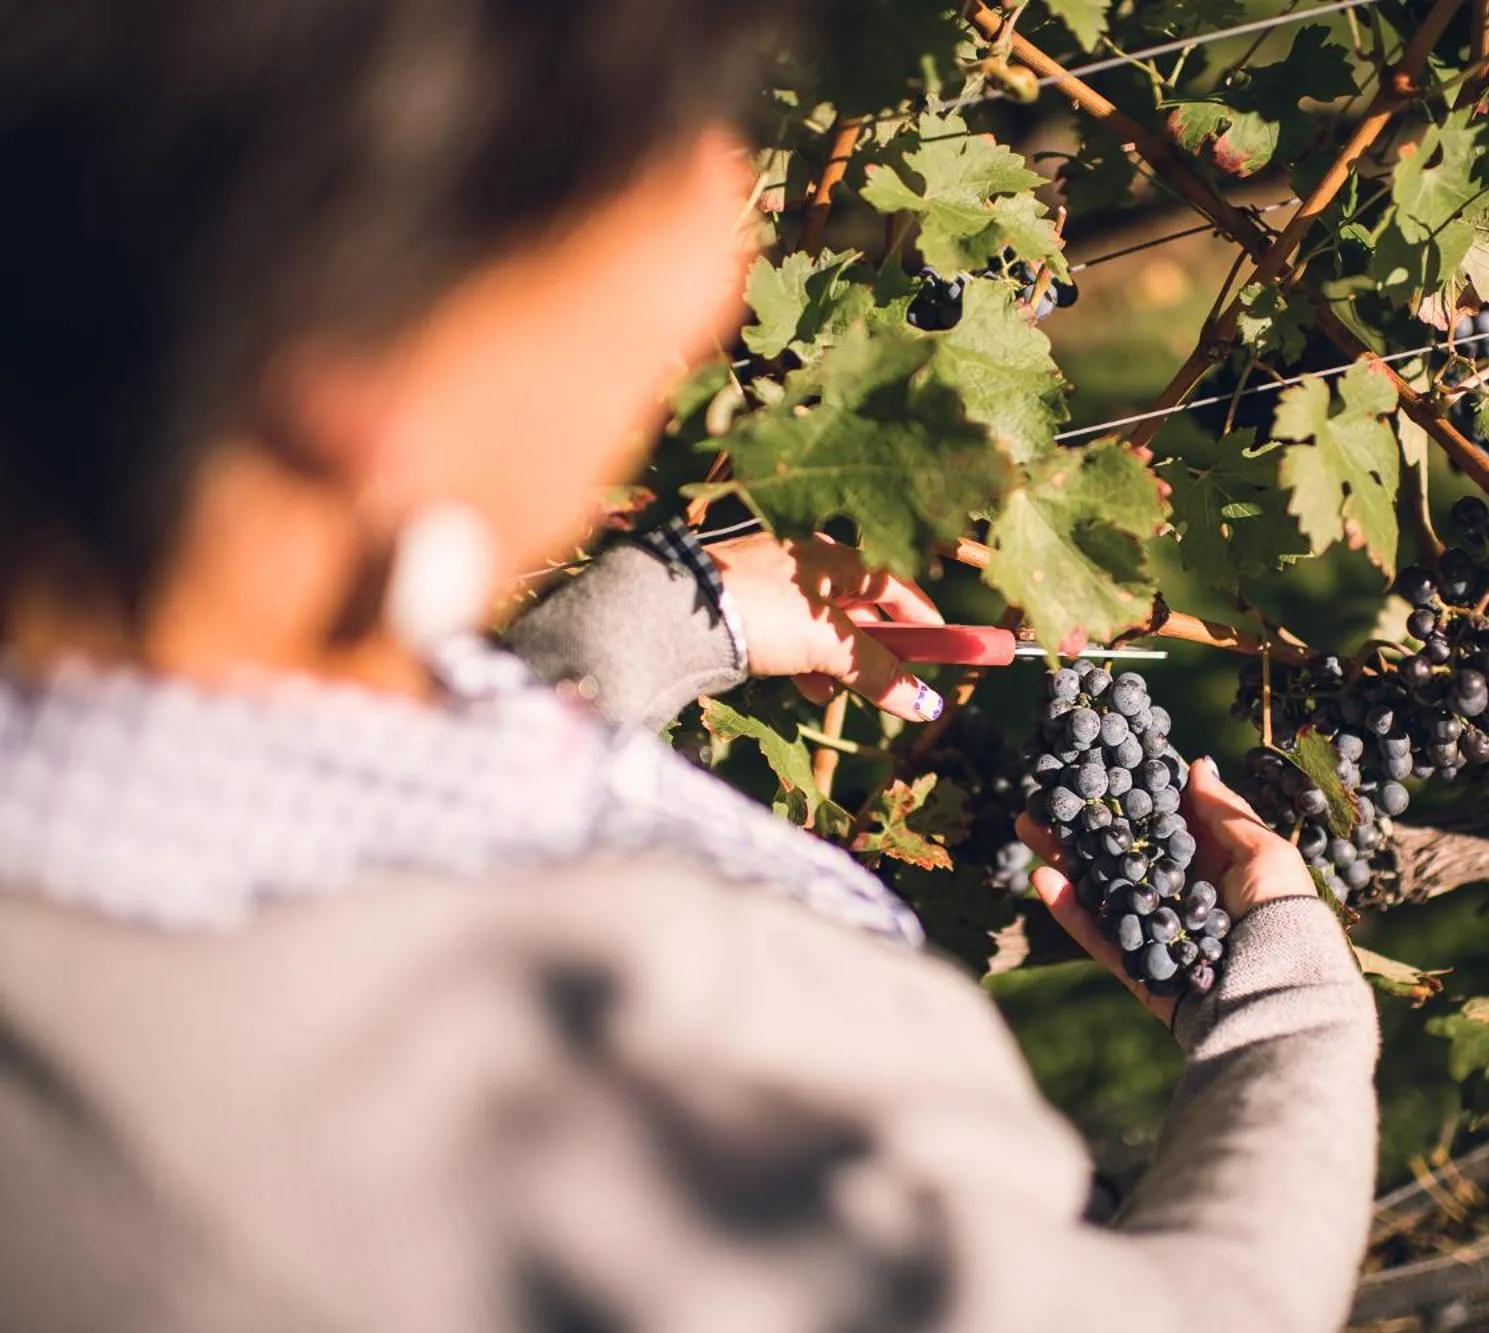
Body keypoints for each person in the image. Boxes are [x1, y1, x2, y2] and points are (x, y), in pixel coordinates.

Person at [0, 2, 1382, 1330]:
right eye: (660, 156)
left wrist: (657, 625)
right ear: (351, 369)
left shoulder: (127, 821)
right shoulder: (610, 1160)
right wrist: (1292, 1015)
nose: (725, 240)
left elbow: (367, 798)